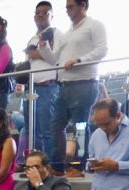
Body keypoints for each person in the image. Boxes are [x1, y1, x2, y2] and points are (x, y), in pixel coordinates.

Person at [38, 0, 108, 176]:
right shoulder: (68, 32)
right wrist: (43, 46)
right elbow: (54, 59)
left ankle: (77, 166)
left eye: (71, 7)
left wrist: (79, 60)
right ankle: (58, 165)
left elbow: (102, 50)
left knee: (80, 127)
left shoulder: (95, 25)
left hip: (84, 82)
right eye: (67, 7)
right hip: (64, 84)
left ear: (83, 5)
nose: (68, 10)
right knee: (56, 126)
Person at [25, 1, 61, 159]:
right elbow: (29, 58)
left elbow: (57, 56)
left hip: (48, 87)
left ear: (51, 16)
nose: (40, 15)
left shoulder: (56, 33)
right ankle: (34, 162)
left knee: (47, 130)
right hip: (31, 88)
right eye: (37, 12)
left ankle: (50, 164)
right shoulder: (32, 38)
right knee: (31, 130)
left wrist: (36, 53)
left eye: (45, 13)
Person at [5, 150, 71, 190]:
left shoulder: (60, 182)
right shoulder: (20, 186)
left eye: (36, 167)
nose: (32, 171)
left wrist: (38, 184)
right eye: (28, 168)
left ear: (47, 168)